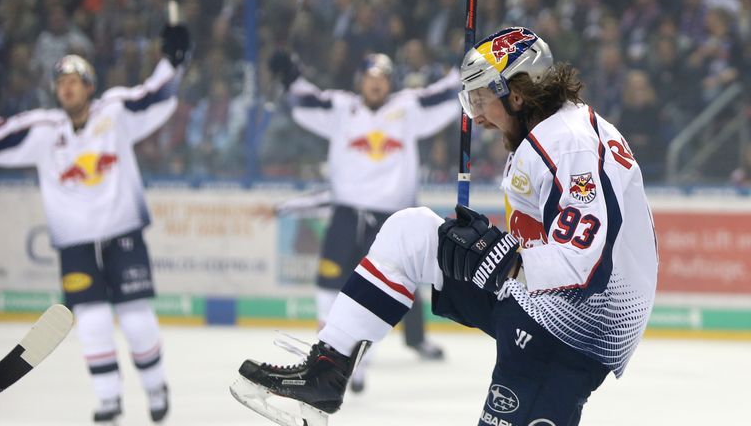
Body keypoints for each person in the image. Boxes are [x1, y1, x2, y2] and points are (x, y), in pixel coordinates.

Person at [232, 26, 658, 426]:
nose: (476, 117)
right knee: (411, 233)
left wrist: (502, 257)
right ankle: (327, 371)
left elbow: (586, 263)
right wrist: (492, 248)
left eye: (480, 100)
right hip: (537, 302)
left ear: (516, 94)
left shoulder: (570, 144)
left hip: (571, 334)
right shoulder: (549, 132)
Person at [0, 24, 190, 424]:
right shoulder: (45, 132)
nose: (67, 88)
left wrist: (174, 63)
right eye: (61, 82)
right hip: (75, 246)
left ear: (89, 86)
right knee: (92, 322)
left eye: (74, 80)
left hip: (122, 235)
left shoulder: (113, 113)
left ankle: (155, 387)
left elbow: (155, 96)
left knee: (135, 319)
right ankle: (109, 399)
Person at [267, 50, 461, 391]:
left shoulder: (408, 108)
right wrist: (290, 78)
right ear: (360, 81)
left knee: (376, 290)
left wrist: (464, 64)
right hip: (346, 214)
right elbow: (306, 101)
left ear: (390, 83)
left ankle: (357, 365)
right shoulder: (342, 109)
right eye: (370, 78)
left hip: (390, 220)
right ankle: (326, 354)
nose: (376, 84)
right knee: (328, 285)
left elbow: (448, 94)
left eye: (383, 78)